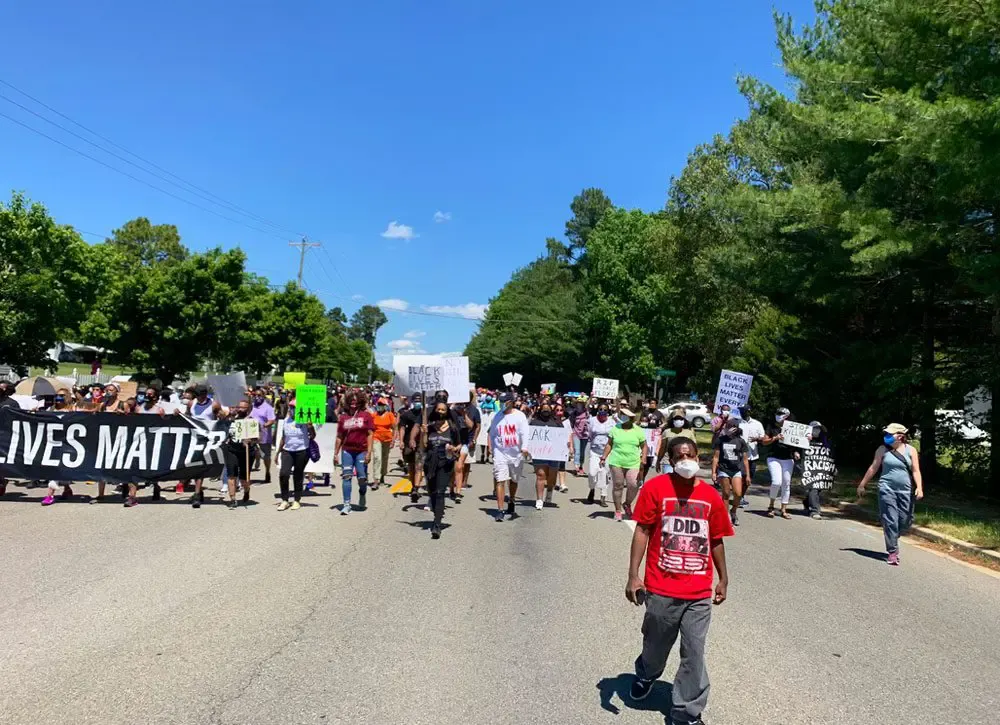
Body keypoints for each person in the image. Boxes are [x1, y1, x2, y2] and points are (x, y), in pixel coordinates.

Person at [625, 436, 733, 725]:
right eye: (679, 456)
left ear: (699, 457)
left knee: (694, 652)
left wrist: (723, 578)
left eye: (691, 455)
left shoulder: (711, 496)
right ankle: (647, 674)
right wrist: (633, 575)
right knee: (656, 644)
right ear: (670, 461)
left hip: (698, 591)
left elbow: (717, 539)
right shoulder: (655, 488)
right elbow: (642, 531)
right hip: (661, 587)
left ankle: (686, 711)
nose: (686, 460)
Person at [856, 423, 923, 565]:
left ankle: (892, 535)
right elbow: (873, 467)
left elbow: (916, 470)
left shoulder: (911, 450)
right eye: (886, 434)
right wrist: (862, 484)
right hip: (886, 489)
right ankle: (892, 552)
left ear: (900, 436)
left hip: (905, 490)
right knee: (891, 520)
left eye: (889, 434)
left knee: (904, 521)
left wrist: (919, 487)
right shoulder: (882, 450)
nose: (886, 437)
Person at [409, 399, 461, 539]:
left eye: (443, 410)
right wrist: (423, 433)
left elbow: (459, 445)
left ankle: (437, 525)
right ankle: (437, 511)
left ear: (447, 412)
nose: (440, 412)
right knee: (432, 492)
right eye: (438, 409)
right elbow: (423, 446)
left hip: (445, 463)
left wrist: (453, 448)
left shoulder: (453, 428)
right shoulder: (429, 427)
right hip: (430, 463)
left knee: (439, 492)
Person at [488, 392, 529, 521]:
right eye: (500, 401)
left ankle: (511, 499)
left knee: (514, 479)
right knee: (500, 479)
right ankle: (500, 510)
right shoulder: (497, 416)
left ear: (511, 402)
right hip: (501, 453)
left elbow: (524, 433)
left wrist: (524, 447)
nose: (501, 403)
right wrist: (492, 448)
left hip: (516, 454)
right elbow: (493, 433)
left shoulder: (519, 416)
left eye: (504, 401)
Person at [601, 408, 647, 522]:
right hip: (616, 461)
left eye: (626, 415)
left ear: (631, 418)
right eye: (622, 415)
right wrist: (603, 457)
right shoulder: (615, 429)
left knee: (633, 484)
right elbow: (609, 444)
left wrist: (644, 457)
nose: (623, 417)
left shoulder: (638, 430)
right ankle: (617, 510)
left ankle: (627, 504)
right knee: (618, 485)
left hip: (633, 462)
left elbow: (644, 445)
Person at [184, 384, 226, 508]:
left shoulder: (213, 404)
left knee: (200, 466)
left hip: (207, 439)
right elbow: (187, 417)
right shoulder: (192, 404)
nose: (201, 397)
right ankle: (198, 491)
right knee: (190, 465)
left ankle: (196, 494)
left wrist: (223, 416)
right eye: (198, 395)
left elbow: (221, 417)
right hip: (193, 438)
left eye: (203, 395)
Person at [335, 391, 374, 515]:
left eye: (356, 402)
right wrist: (335, 453)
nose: (353, 404)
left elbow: (370, 434)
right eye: (351, 402)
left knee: (362, 478)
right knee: (346, 476)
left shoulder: (366, 416)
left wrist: (369, 452)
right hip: (347, 450)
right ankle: (347, 504)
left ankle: (362, 493)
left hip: (361, 451)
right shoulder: (343, 417)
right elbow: (339, 436)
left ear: (360, 403)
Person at [528, 401, 572, 510]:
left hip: (554, 454)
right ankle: (539, 499)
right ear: (540, 410)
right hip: (539, 453)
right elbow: (529, 436)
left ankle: (550, 490)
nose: (546, 411)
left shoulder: (557, 422)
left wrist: (567, 446)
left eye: (548, 409)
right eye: (544, 409)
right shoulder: (534, 423)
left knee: (552, 477)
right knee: (541, 475)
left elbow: (563, 437)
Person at [274, 394, 315, 510]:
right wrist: (277, 453)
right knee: (284, 474)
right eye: (291, 407)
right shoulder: (286, 421)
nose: (293, 410)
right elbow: (283, 438)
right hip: (287, 451)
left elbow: (313, 436)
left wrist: (310, 427)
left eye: (295, 408)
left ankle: (297, 500)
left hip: (302, 451)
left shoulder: (306, 420)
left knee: (298, 475)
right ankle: (285, 500)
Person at [40, 388, 77, 506]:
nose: (58, 398)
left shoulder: (73, 409)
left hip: (67, 443)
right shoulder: (51, 409)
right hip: (52, 442)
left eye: (61, 395)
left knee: (57, 468)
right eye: (57, 395)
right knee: (56, 468)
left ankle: (50, 495)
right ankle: (67, 489)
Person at [711, 419, 750, 526]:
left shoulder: (740, 441)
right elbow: (715, 457)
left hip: (736, 469)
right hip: (724, 469)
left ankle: (733, 511)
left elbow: (745, 459)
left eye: (733, 426)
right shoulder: (721, 440)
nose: (731, 428)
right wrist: (714, 472)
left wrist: (747, 475)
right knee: (726, 493)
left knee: (738, 493)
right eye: (729, 426)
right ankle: (726, 515)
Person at [761, 407, 797, 519]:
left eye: (781, 414)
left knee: (786, 483)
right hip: (774, 457)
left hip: (788, 458)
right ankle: (771, 506)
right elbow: (764, 441)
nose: (778, 415)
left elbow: (798, 442)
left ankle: (783, 509)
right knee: (776, 482)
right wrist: (775, 438)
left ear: (786, 416)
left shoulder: (793, 427)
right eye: (777, 413)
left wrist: (797, 450)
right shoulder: (771, 426)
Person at [223, 399, 258, 509]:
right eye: (239, 407)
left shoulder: (251, 421)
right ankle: (232, 499)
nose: (240, 409)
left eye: (243, 407)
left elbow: (256, 439)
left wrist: (250, 440)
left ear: (248, 409)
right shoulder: (231, 419)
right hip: (232, 450)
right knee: (231, 474)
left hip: (246, 452)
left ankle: (246, 490)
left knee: (244, 477)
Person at [802, 421, 835, 519]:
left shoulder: (825, 440)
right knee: (814, 487)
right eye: (815, 428)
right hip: (808, 467)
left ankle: (807, 502)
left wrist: (832, 467)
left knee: (818, 488)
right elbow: (797, 449)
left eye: (819, 428)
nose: (817, 430)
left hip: (821, 467)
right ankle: (815, 510)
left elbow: (829, 455)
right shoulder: (803, 439)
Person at [585, 402, 616, 505]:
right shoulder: (592, 420)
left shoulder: (612, 422)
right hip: (594, 451)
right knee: (592, 473)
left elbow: (615, 435)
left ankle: (603, 496)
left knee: (605, 474)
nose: (603, 411)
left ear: (608, 412)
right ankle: (592, 489)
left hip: (607, 452)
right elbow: (589, 432)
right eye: (601, 409)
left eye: (605, 409)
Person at [398, 393, 424, 503]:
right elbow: (402, 428)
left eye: (419, 400)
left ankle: (416, 488)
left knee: (419, 467)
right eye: (416, 400)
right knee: (412, 467)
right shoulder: (406, 415)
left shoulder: (425, 415)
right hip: (409, 444)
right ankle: (413, 485)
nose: (417, 402)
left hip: (421, 444)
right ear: (412, 402)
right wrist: (400, 441)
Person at [737, 405, 765, 508]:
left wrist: (757, 439)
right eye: (741, 411)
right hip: (739, 455)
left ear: (749, 412)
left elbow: (763, 437)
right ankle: (738, 497)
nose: (742, 413)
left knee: (749, 479)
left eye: (744, 411)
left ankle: (741, 495)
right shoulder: (737, 423)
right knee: (741, 476)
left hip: (752, 455)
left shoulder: (757, 424)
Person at [249, 387, 277, 484]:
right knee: (250, 454)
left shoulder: (268, 408)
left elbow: (272, 420)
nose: (257, 397)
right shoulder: (252, 406)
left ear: (264, 396)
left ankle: (267, 471)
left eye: (259, 395)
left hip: (264, 436)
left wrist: (264, 425)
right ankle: (247, 475)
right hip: (252, 435)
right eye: (255, 395)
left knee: (266, 456)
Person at [369, 396, 397, 489]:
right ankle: (376, 480)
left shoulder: (390, 415)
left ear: (385, 406)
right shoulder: (374, 415)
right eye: (379, 404)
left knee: (384, 459)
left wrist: (393, 440)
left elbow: (394, 428)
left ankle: (382, 476)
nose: (380, 406)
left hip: (387, 439)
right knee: (377, 457)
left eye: (382, 405)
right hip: (376, 438)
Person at [657, 408, 693, 474]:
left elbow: (694, 449)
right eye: (676, 419)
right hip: (668, 462)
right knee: (669, 482)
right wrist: (658, 461)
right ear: (672, 420)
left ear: (684, 420)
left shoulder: (689, 433)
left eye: (680, 419)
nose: (678, 421)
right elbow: (663, 448)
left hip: (684, 463)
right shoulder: (667, 432)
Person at [0, 381, 21, 496]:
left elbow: (18, 418)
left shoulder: (12, 404)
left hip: (5, 436)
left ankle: (2, 481)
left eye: (2, 388)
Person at [639, 398, 665, 481]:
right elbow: (639, 421)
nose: (652, 405)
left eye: (653, 403)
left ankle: (643, 477)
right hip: (644, 434)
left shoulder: (659, 413)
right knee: (642, 457)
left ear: (656, 404)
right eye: (650, 403)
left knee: (649, 461)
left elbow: (665, 422)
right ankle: (640, 479)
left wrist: (660, 427)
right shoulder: (645, 412)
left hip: (654, 437)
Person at [569, 396, 590, 476]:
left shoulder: (587, 412)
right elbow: (571, 424)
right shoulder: (574, 413)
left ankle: (581, 466)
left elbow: (589, 403)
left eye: (581, 404)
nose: (579, 405)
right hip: (576, 434)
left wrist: (591, 396)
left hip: (585, 435)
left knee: (582, 453)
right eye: (578, 403)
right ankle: (576, 466)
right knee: (577, 451)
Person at [554, 402, 571, 492]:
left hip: (563, 446)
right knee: (553, 466)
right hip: (553, 447)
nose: (559, 412)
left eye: (561, 410)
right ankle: (553, 482)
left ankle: (562, 484)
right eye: (557, 410)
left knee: (562, 465)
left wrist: (571, 446)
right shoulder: (551, 421)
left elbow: (570, 434)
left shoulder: (566, 422)